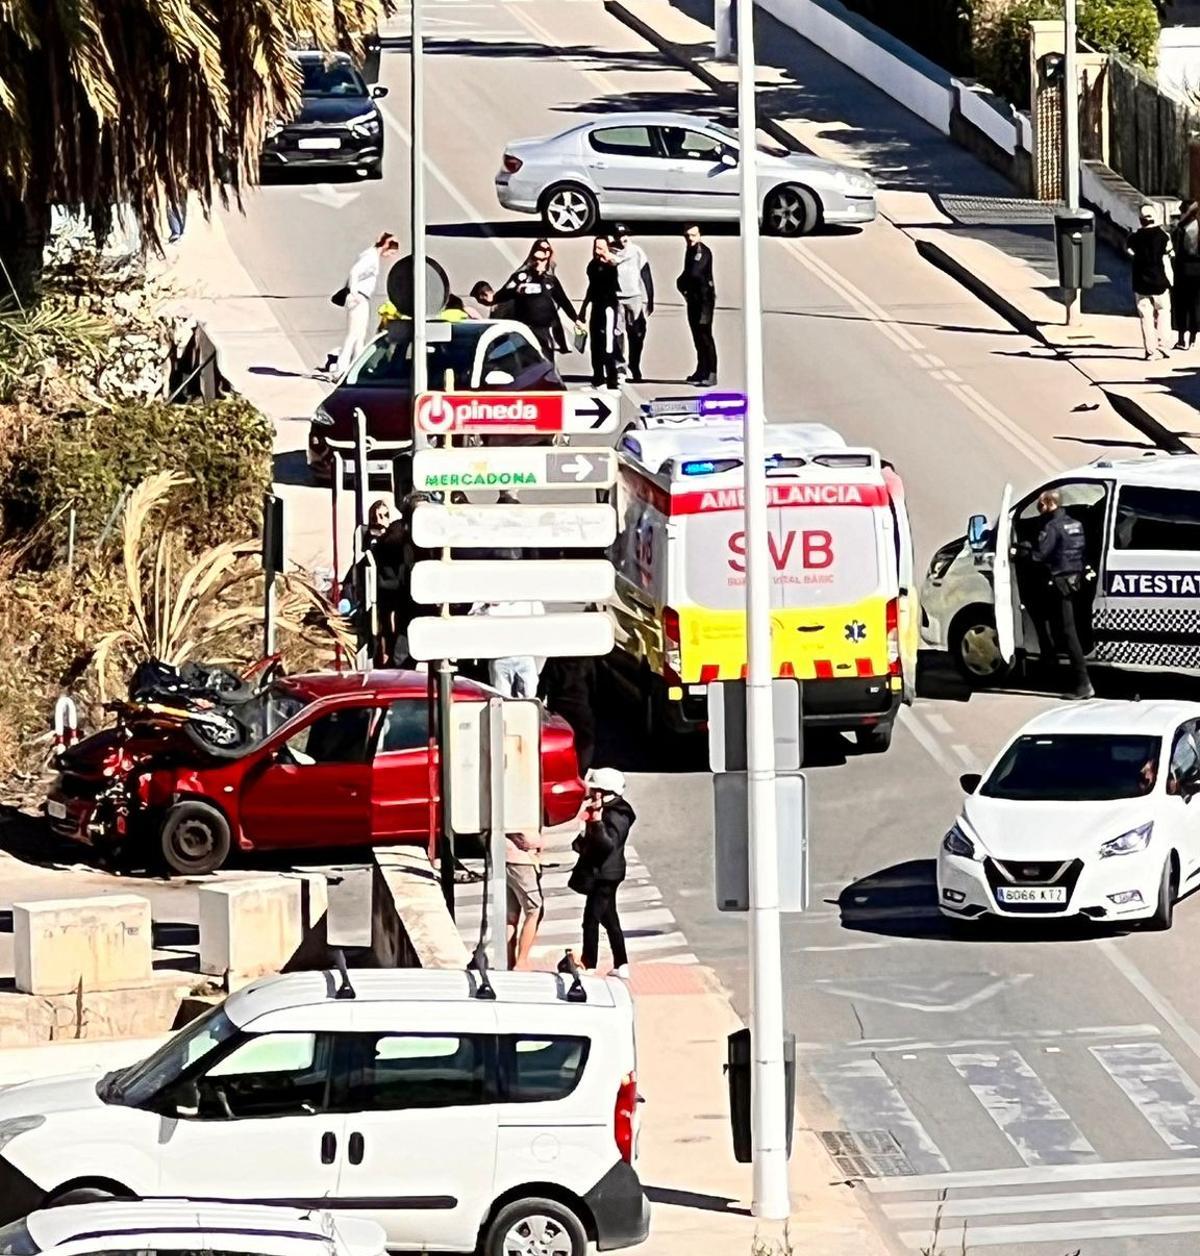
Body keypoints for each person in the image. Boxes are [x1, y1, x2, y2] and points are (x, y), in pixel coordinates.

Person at [564, 768, 634, 979]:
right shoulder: (605, 811)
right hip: (600, 873)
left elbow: (606, 845)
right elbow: (588, 843)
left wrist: (595, 821)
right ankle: (621, 964)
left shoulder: (617, 814)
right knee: (610, 920)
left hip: (606, 875)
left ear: (605, 792)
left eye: (594, 790)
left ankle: (589, 962)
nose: (590, 795)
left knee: (591, 920)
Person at [1031, 489, 1094, 700]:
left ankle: (1083, 684)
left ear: (1049, 504)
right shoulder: (1076, 524)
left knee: (1068, 633)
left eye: (1041, 505)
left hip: (1059, 582)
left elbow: (1040, 555)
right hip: (1075, 581)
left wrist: (1022, 550)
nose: (1039, 510)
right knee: (1068, 629)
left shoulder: (1052, 527)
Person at [493, 241, 577, 362]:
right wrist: (516, 291)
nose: (544, 251)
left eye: (547, 249)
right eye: (540, 249)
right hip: (525, 327)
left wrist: (576, 319)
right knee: (526, 360)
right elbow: (500, 296)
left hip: (544, 328)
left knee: (546, 360)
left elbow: (563, 301)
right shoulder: (521, 277)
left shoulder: (550, 280)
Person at [333, 232, 400, 378]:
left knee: (360, 335)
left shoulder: (371, 255)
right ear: (386, 246)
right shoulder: (370, 257)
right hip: (359, 297)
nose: (389, 256)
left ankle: (356, 369)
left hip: (362, 298)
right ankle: (340, 369)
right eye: (391, 252)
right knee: (353, 335)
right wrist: (354, 292)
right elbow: (354, 272)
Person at [1126, 204, 1174, 361]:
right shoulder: (1163, 236)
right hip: (1160, 281)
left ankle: (1150, 351)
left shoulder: (1134, 237)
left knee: (1145, 316)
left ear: (1140, 220)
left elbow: (1129, 252)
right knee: (1163, 312)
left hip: (1140, 282)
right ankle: (1164, 345)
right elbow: (1170, 253)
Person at [470, 598, 544, 696]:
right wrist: (486, 606)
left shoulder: (530, 597)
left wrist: (537, 665)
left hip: (526, 655)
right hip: (500, 656)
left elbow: (541, 628)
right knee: (502, 699)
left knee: (529, 697)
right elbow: (472, 620)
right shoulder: (488, 594)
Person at [611, 224, 654, 383]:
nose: (623, 238)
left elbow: (646, 273)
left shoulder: (636, 251)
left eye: (625, 235)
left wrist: (650, 298)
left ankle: (634, 365)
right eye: (619, 235)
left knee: (637, 333)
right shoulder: (609, 252)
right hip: (616, 298)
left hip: (634, 297)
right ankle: (619, 366)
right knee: (617, 333)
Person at [540, 656, 597, 775]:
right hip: (582, 707)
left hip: (560, 708)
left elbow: (544, 684)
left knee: (563, 742)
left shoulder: (554, 660)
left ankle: (566, 770)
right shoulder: (587, 661)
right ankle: (582, 771)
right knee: (585, 741)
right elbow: (594, 685)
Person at [677, 224, 717, 385]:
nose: (690, 239)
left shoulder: (702, 252)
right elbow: (687, 274)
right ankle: (701, 370)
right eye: (687, 236)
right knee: (697, 337)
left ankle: (712, 373)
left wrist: (682, 282)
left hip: (704, 301)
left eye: (693, 235)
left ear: (699, 235)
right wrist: (681, 285)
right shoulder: (690, 250)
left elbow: (694, 273)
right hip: (693, 299)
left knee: (705, 336)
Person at [579, 236, 621, 390]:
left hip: (608, 308)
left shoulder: (612, 265)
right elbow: (591, 287)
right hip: (596, 307)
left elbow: (617, 264)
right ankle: (598, 378)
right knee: (595, 343)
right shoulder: (592, 265)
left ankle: (612, 379)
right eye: (596, 248)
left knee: (608, 343)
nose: (598, 251)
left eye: (601, 248)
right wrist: (583, 307)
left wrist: (609, 258)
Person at [506, 830, 546, 969]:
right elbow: (527, 839)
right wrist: (535, 843)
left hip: (506, 857)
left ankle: (508, 960)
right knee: (534, 909)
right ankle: (521, 961)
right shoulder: (522, 810)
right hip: (521, 860)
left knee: (511, 916)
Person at [1172, 200, 1200, 349]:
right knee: (1189, 305)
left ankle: (1187, 337)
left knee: (1187, 306)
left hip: (1187, 272)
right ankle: (1188, 338)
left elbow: (1178, 250)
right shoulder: (1184, 228)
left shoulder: (1181, 229)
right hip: (1190, 272)